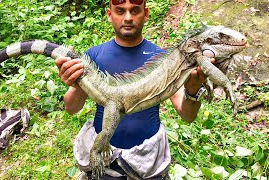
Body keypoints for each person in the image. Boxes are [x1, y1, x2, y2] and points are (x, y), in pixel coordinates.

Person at [55, 0, 213, 179]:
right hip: (105, 160)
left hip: (148, 162)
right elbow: (71, 108)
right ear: (109, 14)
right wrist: (77, 83)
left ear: (145, 14)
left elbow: (187, 115)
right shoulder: (94, 55)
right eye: (120, 11)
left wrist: (193, 92)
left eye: (135, 10)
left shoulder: (162, 58)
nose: (128, 18)